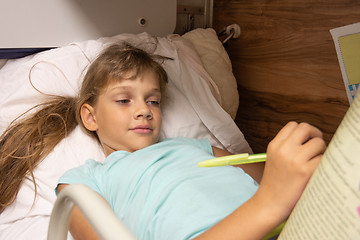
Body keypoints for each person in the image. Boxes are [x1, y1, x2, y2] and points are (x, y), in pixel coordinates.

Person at [1, 43, 326, 240]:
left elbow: (275, 179)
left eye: (153, 101)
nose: (144, 110)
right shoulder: (85, 180)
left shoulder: (193, 147)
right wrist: (269, 203)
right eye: (124, 100)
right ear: (90, 117)